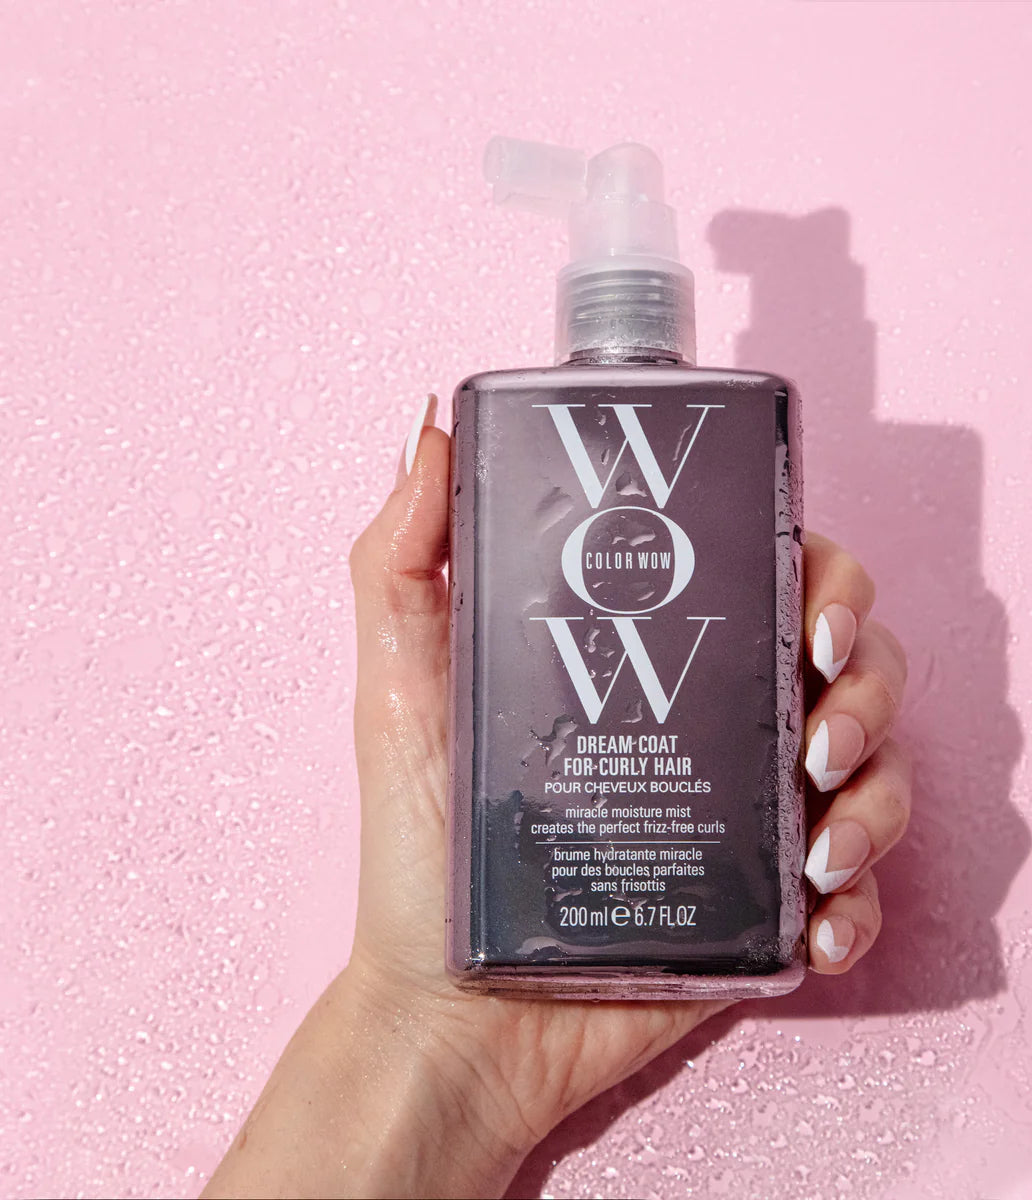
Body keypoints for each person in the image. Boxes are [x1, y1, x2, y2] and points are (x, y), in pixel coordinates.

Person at [202, 401, 911, 1199]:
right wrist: (424, 1027)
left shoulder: (723, 413)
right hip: (490, 970)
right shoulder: (515, 419)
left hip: (599, 950)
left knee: (753, 625)